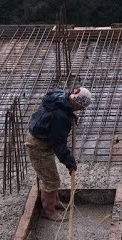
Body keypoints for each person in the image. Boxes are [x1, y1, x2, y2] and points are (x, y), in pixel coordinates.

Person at [25, 87, 93, 221]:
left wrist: (71, 115)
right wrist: (69, 162)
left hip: (42, 137)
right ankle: (48, 210)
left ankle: (54, 202)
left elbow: (62, 113)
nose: (80, 111)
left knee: (52, 175)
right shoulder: (60, 117)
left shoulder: (61, 96)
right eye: (80, 108)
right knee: (51, 181)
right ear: (77, 104)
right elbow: (59, 144)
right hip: (39, 145)